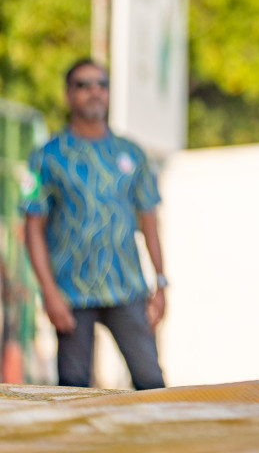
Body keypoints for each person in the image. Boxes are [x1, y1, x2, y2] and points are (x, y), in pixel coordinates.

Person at [23, 59, 167, 389]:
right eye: (83, 85)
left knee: (152, 384)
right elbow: (33, 226)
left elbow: (149, 219)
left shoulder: (131, 152)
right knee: (73, 390)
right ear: (68, 94)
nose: (94, 92)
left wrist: (160, 282)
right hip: (72, 293)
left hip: (126, 288)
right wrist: (48, 293)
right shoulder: (46, 156)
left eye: (101, 84)